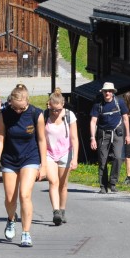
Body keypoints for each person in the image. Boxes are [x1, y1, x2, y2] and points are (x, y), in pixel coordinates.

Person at [0, 84, 47, 247]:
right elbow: (0, 138)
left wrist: (43, 165)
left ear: (27, 102)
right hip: (9, 158)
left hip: (30, 157)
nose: (17, 111)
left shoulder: (36, 114)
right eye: (15, 108)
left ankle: (26, 233)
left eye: (21, 108)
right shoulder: (5, 114)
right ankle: (11, 219)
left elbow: (42, 140)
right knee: (10, 199)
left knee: (25, 195)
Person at [44, 89, 79, 225]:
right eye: (53, 110)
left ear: (63, 105)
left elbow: (74, 138)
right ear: (49, 105)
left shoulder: (70, 116)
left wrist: (75, 158)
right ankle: (56, 211)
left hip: (65, 153)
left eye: (58, 110)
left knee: (63, 185)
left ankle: (62, 209)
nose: (55, 112)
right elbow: (41, 138)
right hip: (49, 153)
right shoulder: (45, 115)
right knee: (53, 182)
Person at [89, 82, 130, 194]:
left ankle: (113, 183)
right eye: (105, 91)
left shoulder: (120, 102)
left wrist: (128, 135)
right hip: (103, 134)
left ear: (113, 92)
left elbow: (125, 119)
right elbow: (93, 121)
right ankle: (103, 186)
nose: (107, 93)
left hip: (117, 133)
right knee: (102, 160)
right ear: (102, 92)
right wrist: (92, 138)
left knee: (118, 157)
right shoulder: (98, 105)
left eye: (109, 91)